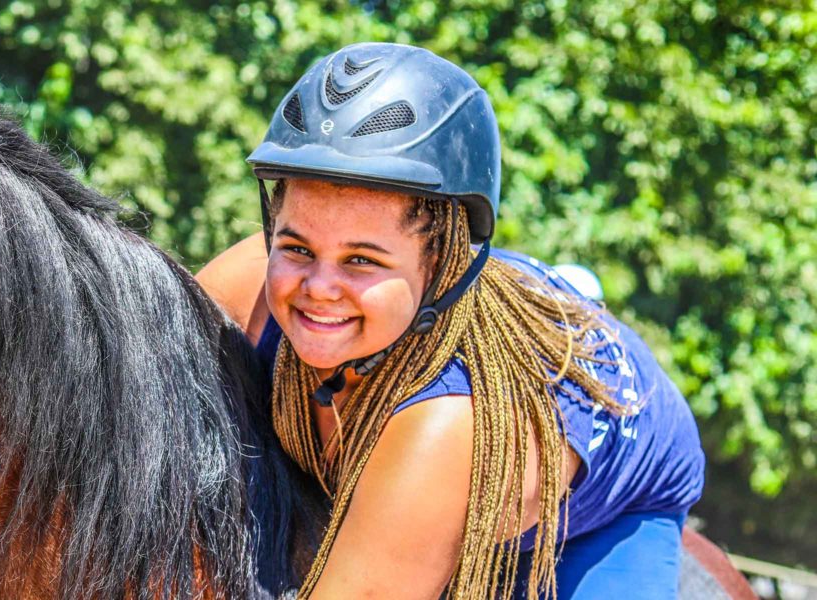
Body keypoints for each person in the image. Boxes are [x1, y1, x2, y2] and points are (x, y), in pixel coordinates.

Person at [196, 43, 705, 598]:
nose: (318, 288)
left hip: (611, 507)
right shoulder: (247, 284)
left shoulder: (448, 425)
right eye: (296, 247)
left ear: (441, 265)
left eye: (361, 260)